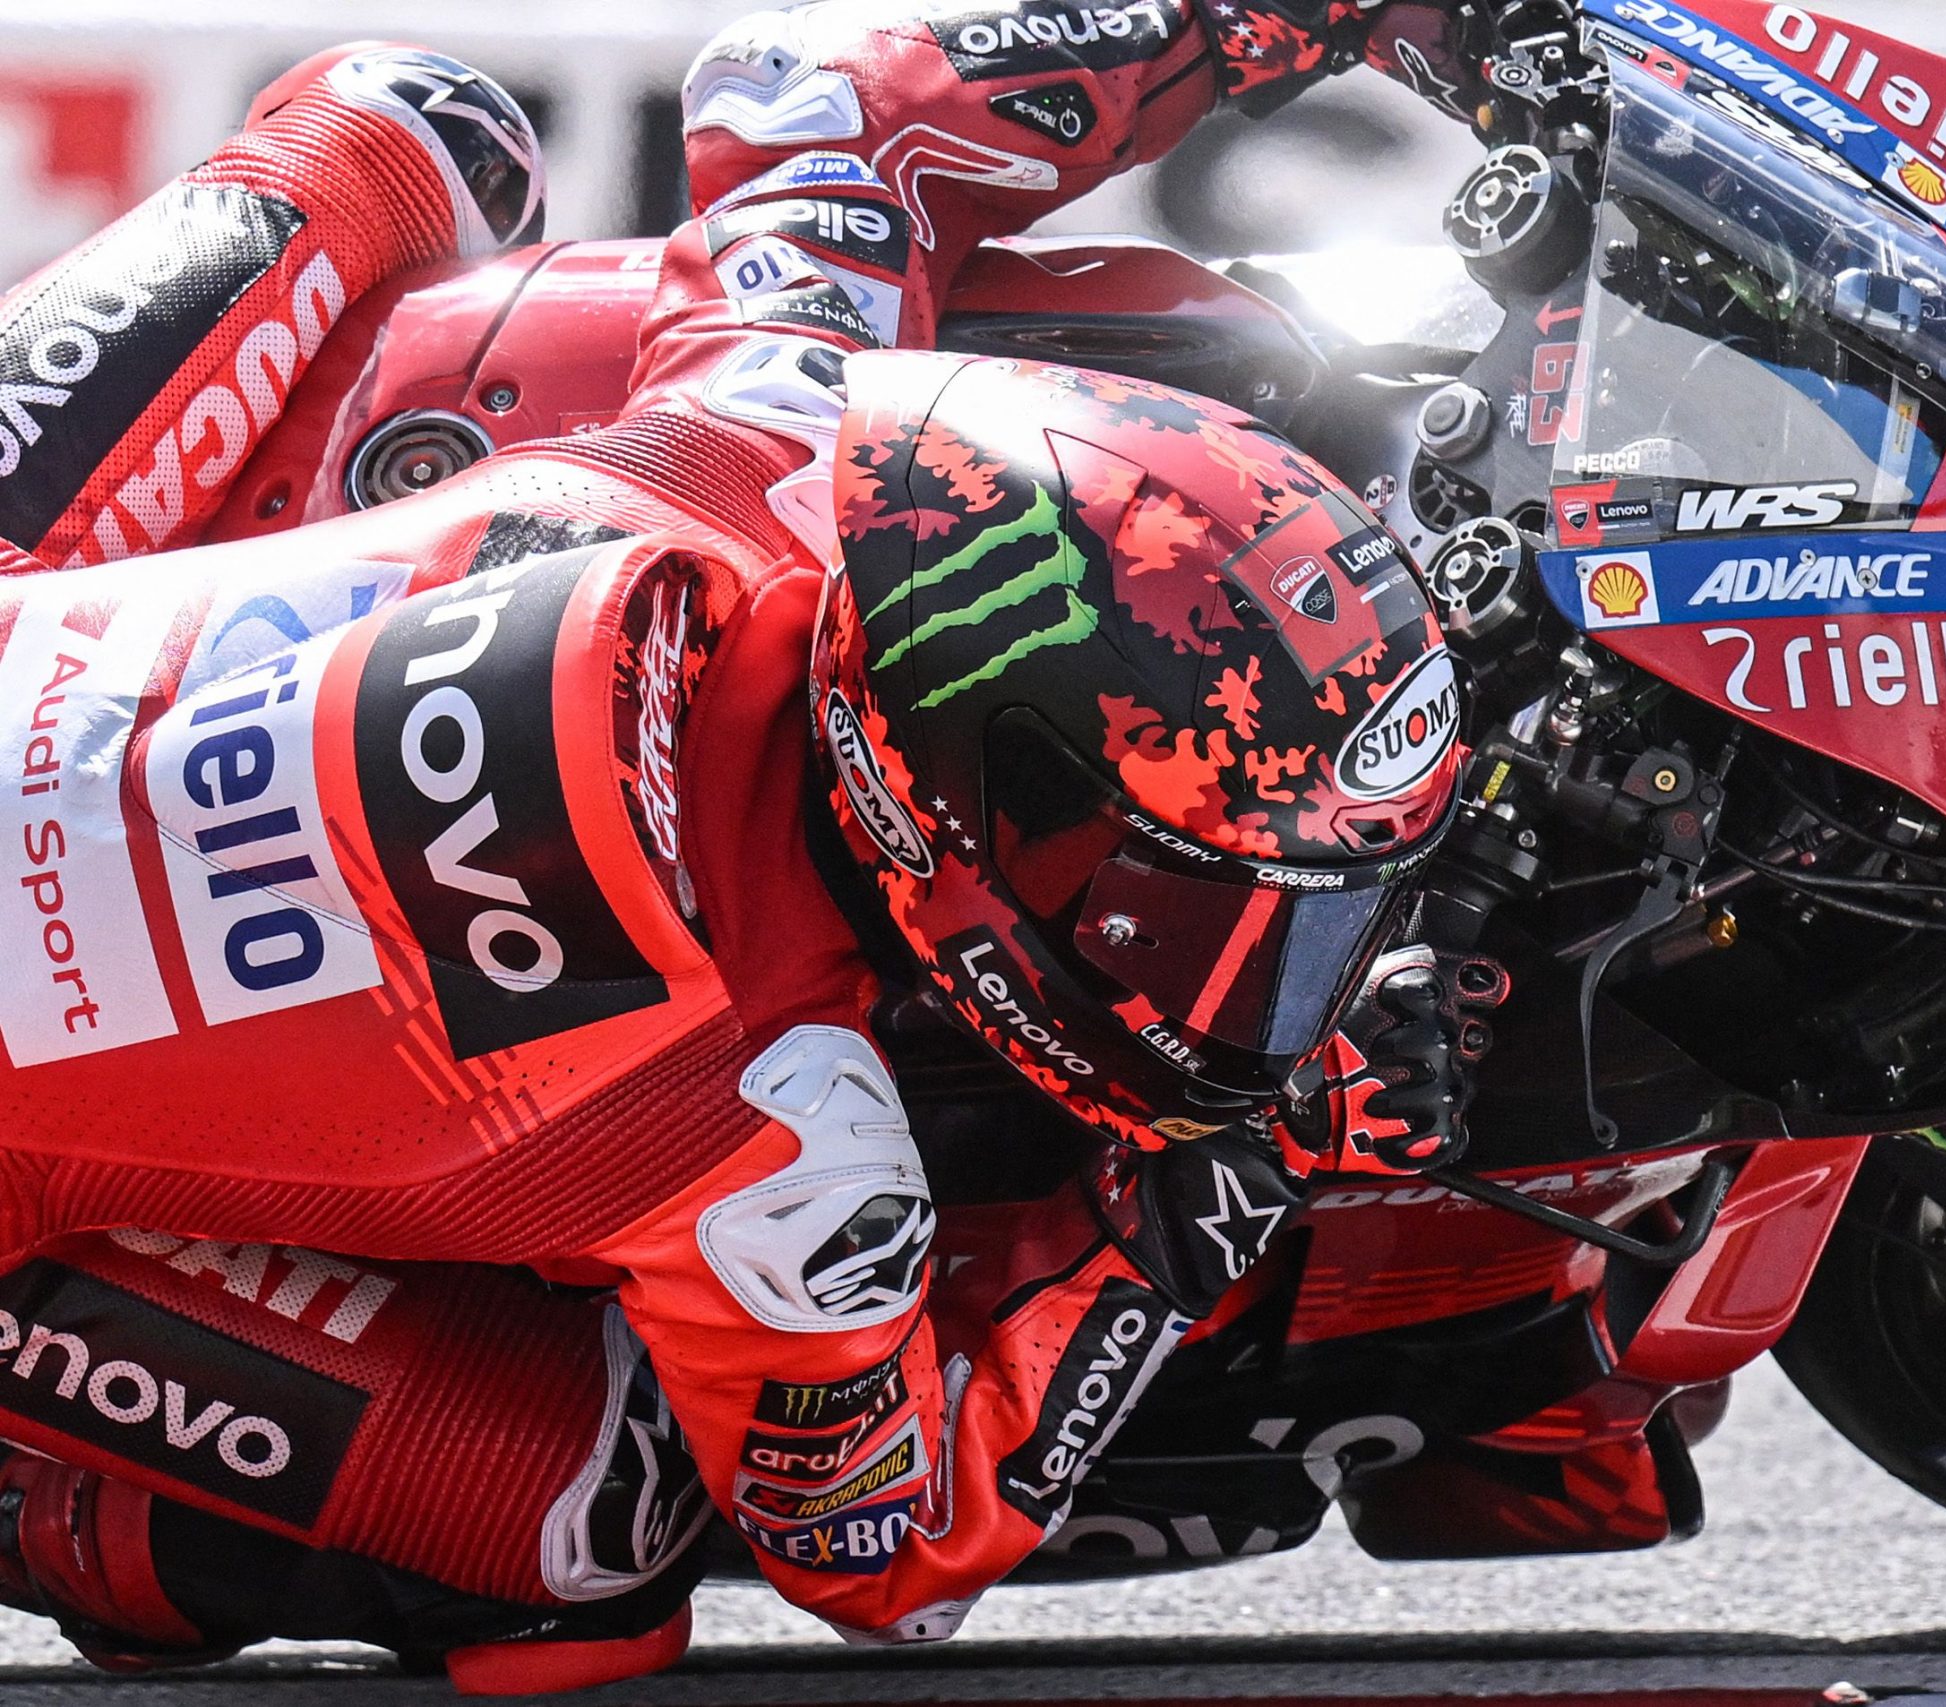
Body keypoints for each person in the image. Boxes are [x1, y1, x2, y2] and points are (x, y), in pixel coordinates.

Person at [0, 0, 1502, 1690]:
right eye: (1187, 903)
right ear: (948, 807)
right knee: (593, 1539)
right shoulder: (777, 1129)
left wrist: (1284, 17)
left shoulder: (764, 446)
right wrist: (1226, 1178)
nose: (1262, 977)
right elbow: (885, 1546)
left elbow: (813, 95)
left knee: (399, 124)